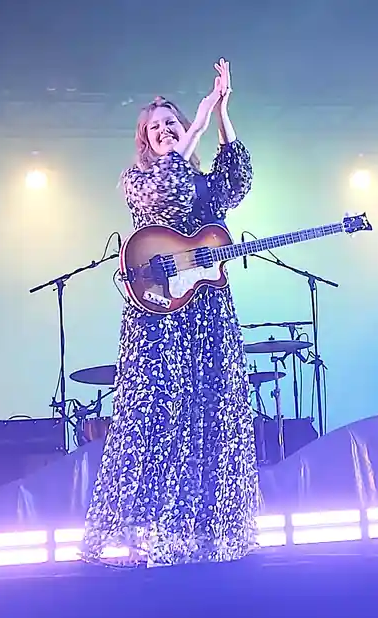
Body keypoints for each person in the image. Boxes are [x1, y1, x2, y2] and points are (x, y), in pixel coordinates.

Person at [82, 58, 258, 566]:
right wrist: (197, 121)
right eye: (155, 127)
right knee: (160, 417)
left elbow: (236, 181)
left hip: (206, 313)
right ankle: (146, 530)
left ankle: (205, 530)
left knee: (210, 412)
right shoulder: (140, 180)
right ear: (145, 140)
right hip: (158, 315)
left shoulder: (200, 178)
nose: (164, 131)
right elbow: (168, 186)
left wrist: (223, 112)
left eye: (171, 124)